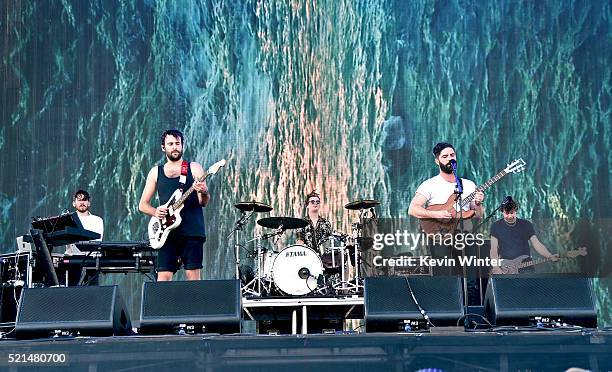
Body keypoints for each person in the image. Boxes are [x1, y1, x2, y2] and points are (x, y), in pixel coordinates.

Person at [139, 129, 210, 281]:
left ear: (182, 146)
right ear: (163, 147)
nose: (175, 147)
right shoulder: (155, 172)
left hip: (192, 231)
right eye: (170, 144)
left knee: (193, 280)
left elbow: (203, 202)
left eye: (178, 143)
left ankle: (193, 305)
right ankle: (164, 305)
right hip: (166, 233)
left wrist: (204, 191)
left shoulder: (194, 168)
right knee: (163, 279)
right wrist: (155, 212)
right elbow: (143, 205)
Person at [408, 142, 484, 228]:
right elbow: (413, 209)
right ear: (437, 161)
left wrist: (478, 203)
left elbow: (478, 216)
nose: (450, 159)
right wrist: (436, 214)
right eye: (445, 156)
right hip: (439, 234)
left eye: (452, 155)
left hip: (464, 235)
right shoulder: (429, 185)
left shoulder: (469, 185)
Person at [490, 196, 558, 274]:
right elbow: (493, 250)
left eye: (512, 212)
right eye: (507, 213)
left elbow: (537, 244)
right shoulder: (496, 226)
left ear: (516, 210)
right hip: (506, 266)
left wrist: (549, 255)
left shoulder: (526, 224)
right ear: (502, 211)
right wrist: (496, 267)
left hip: (526, 265)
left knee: (528, 284)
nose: (510, 216)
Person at [65, 189, 104, 255]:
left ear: (88, 203)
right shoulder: (68, 219)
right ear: (74, 203)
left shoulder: (97, 220)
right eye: (79, 200)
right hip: (72, 258)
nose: (82, 203)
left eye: (84, 200)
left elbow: (97, 241)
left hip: (92, 259)